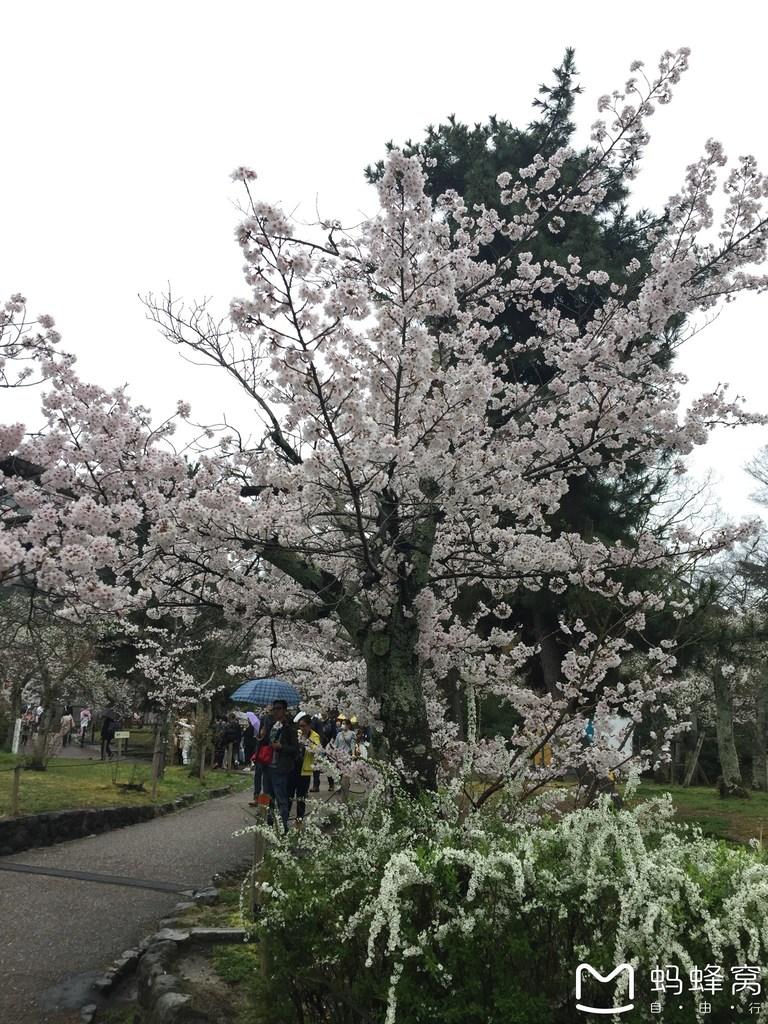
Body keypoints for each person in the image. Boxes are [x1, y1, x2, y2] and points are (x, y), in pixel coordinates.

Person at [261, 699, 298, 832]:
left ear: (284, 710)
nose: (276, 711)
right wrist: (262, 736)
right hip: (267, 767)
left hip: (280, 769)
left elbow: (295, 749)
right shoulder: (270, 725)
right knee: (266, 798)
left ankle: (282, 827)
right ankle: (269, 825)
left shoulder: (290, 728)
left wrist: (281, 747)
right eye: (274, 709)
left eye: (278, 708)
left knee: (281, 799)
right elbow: (264, 744)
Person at [292, 712, 321, 827]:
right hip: (293, 768)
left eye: (304, 726)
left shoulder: (315, 736)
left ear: (309, 726)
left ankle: (299, 820)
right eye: (300, 726)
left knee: (301, 797)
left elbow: (316, 750)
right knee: (289, 794)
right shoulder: (297, 734)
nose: (302, 728)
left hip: (305, 770)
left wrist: (306, 744)